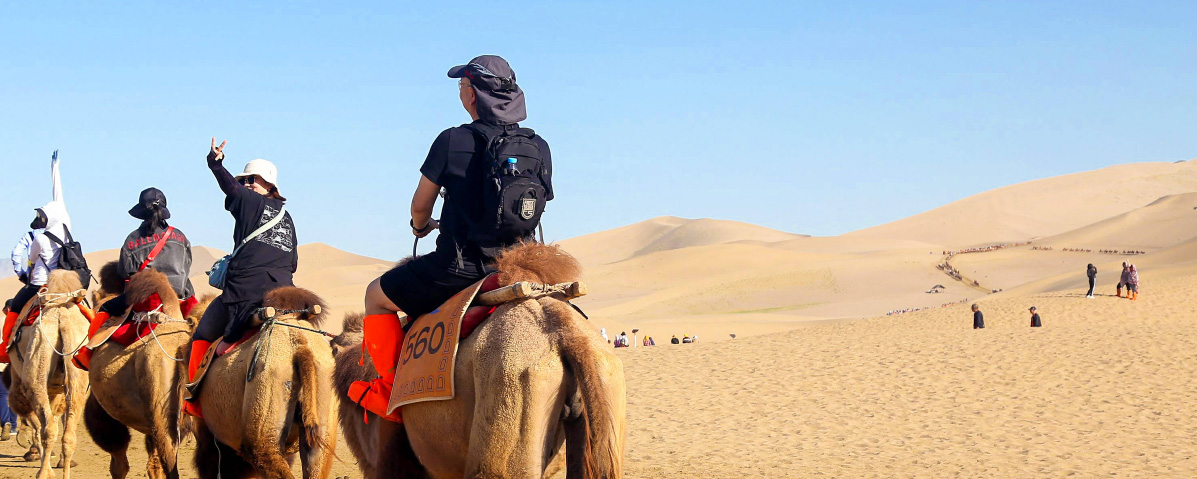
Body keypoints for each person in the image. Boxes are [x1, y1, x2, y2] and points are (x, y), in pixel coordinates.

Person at [352, 55, 553, 421]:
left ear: (472, 95)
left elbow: (420, 206)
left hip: (459, 270)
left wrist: (421, 226)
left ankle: (390, 389)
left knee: (375, 296)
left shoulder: (452, 140)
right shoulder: (538, 146)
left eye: (462, 85)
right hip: (517, 268)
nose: (461, 91)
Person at [183, 139, 298, 417]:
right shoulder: (287, 218)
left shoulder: (250, 202)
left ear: (269, 185)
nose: (246, 184)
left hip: (246, 292)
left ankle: (192, 399)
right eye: (244, 180)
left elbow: (230, 188)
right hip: (286, 294)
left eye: (251, 179)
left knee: (202, 333)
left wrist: (215, 164)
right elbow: (293, 262)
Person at [73, 188, 196, 371]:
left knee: (105, 308)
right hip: (181, 298)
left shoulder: (133, 239)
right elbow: (187, 266)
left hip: (147, 300)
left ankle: (88, 354)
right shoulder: (181, 237)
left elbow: (125, 273)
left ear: (141, 213)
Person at [1, 152, 79, 364]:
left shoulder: (40, 239)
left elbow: (32, 261)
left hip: (41, 283)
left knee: (14, 306)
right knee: (85, 307)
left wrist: (26, 271)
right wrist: (55, 168)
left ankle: (4, 346)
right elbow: (58, 195)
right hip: (65, 283)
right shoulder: (66, 224)